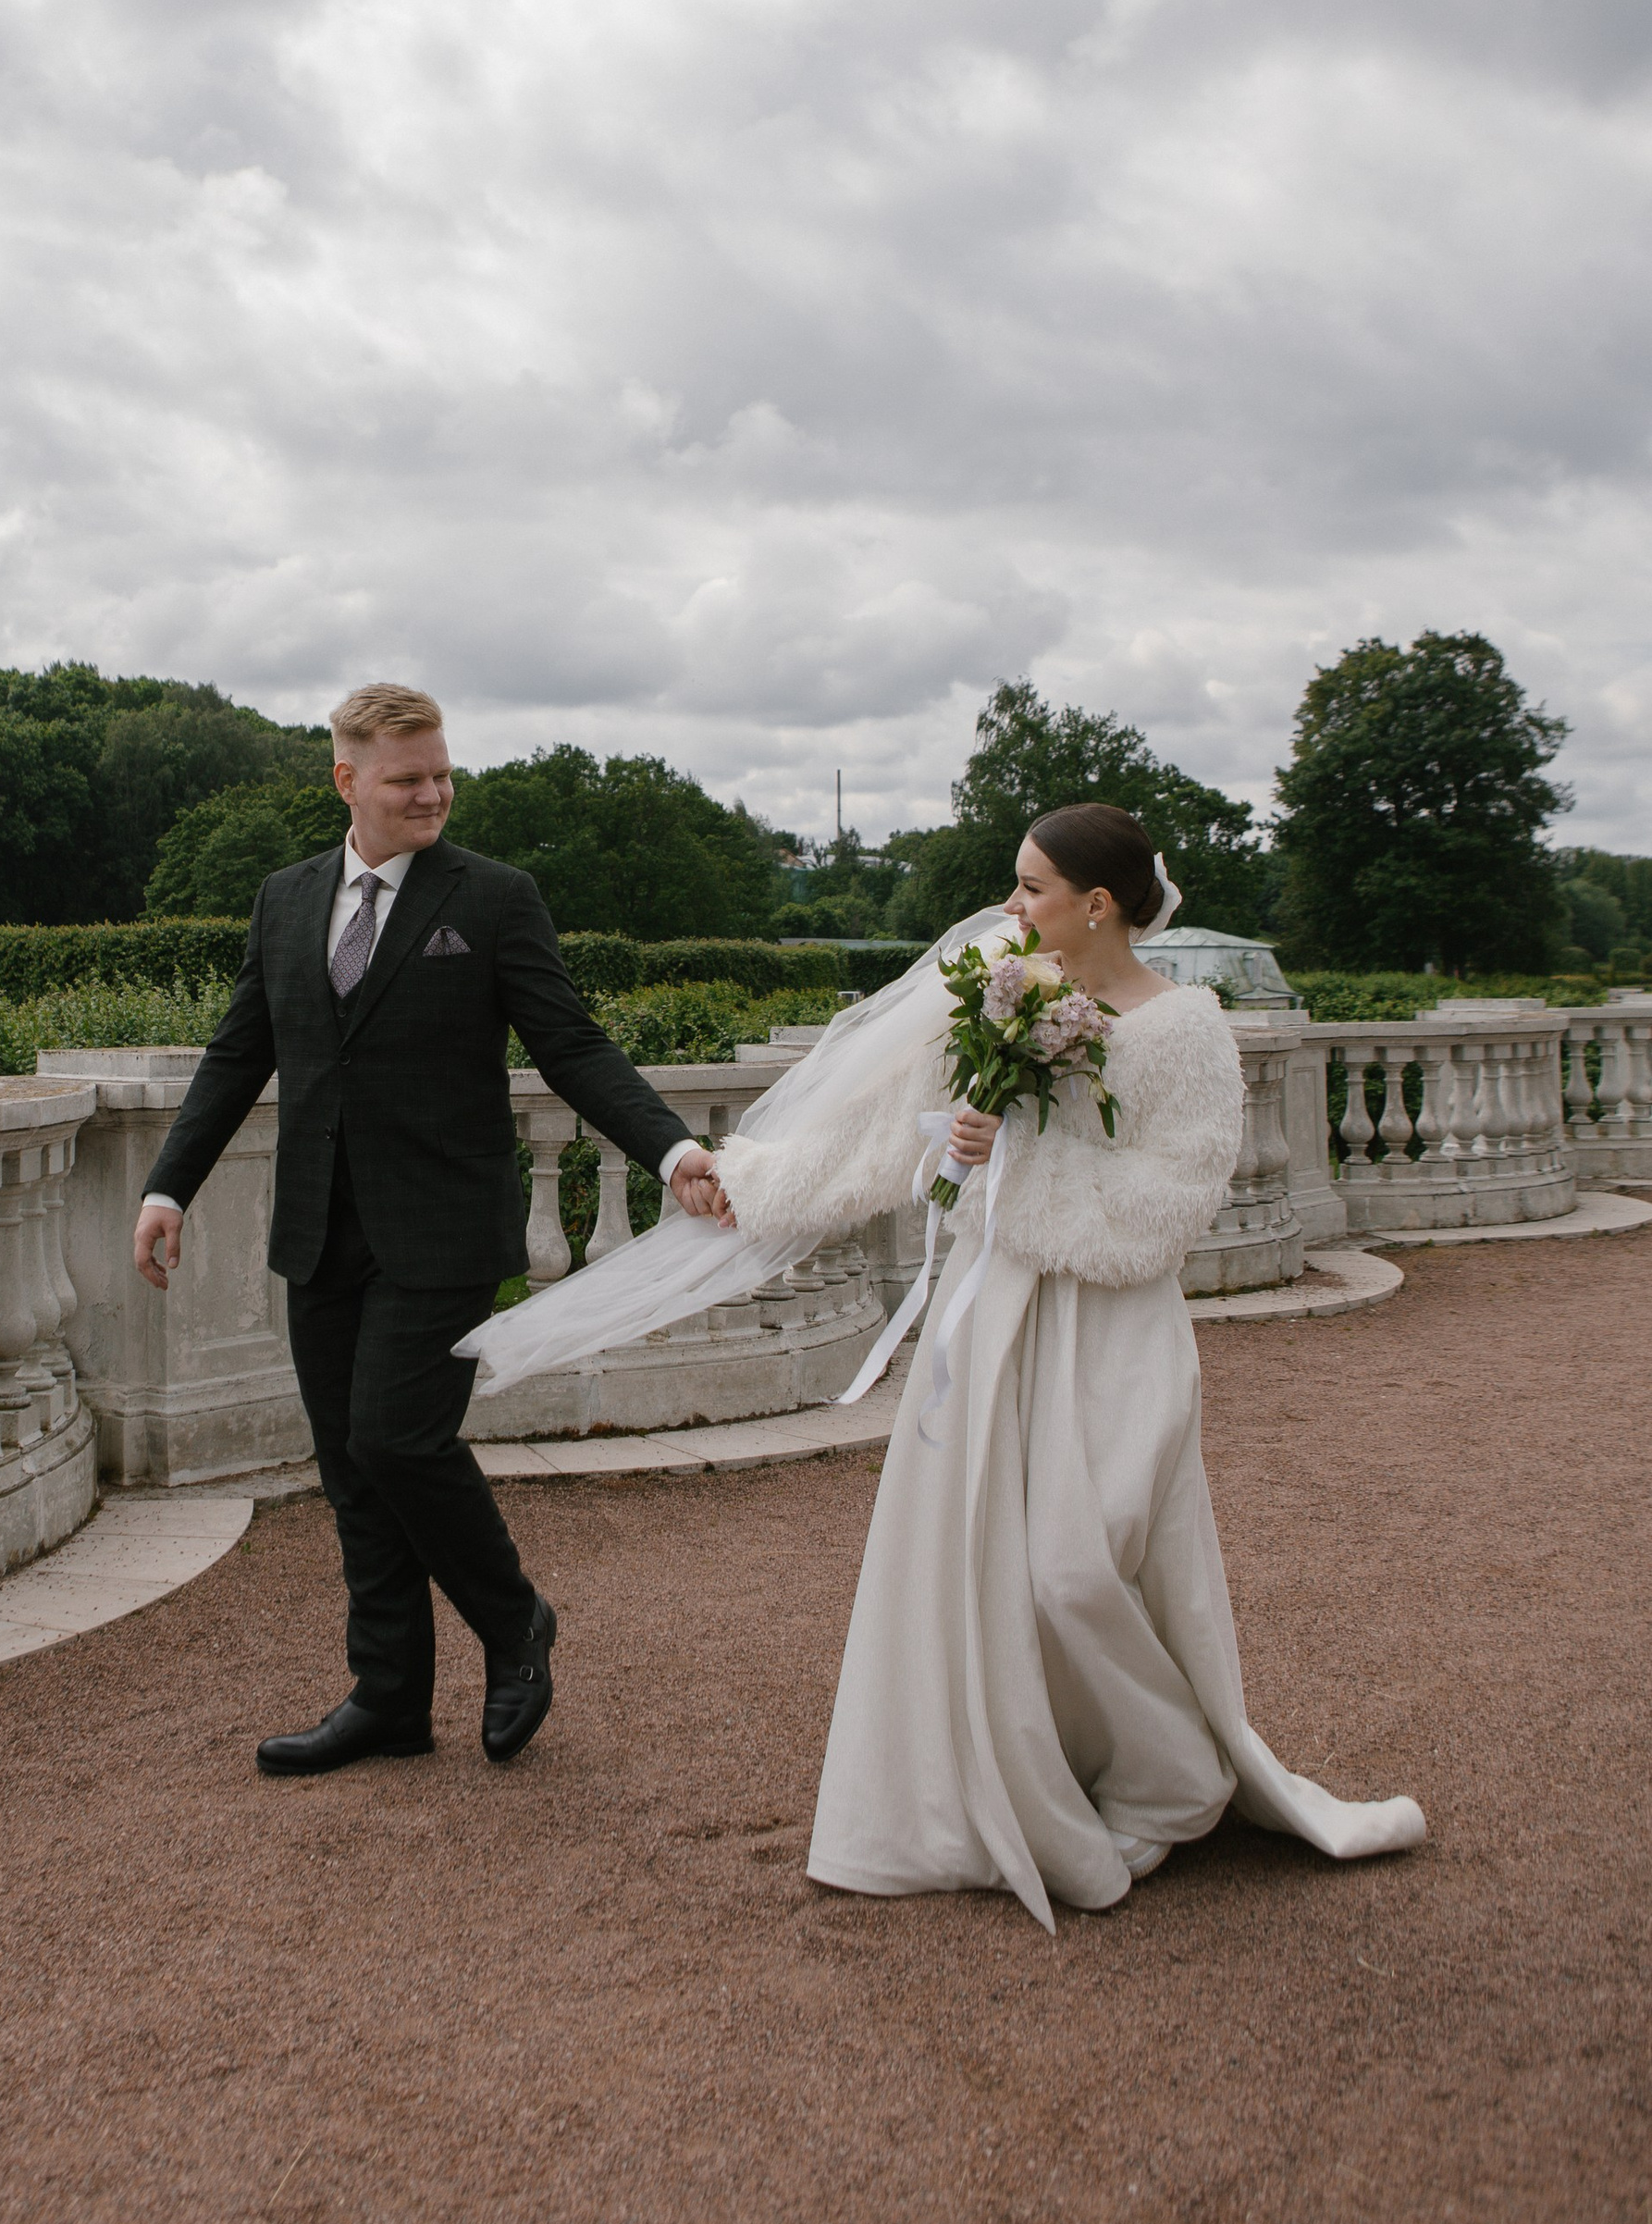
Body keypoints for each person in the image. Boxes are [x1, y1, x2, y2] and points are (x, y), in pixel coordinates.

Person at [459, 801, 1424, 1928]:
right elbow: (882, 1137)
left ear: (1096, 904)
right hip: (994, 1314)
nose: (1007, 910)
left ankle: (1174, 1777)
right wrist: (750, 1179)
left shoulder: (1186, 1028)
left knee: (1082, 1561)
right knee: (992, 1567)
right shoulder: (1000, 985)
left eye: (1028, 890)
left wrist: (1010, 1162)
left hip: (1112, 1320)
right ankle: (1066, 1781)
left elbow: (1173, 1204)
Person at [132, 683, 730, 1780]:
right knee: (352, 1470)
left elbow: (572, 1046)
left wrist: (673, 1150)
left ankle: (514, 1624)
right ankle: (391, 1699)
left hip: (444, 1228)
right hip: (317, 1228)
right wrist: (169, 1186)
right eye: (408, 777)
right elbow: (237, 1054)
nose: (434, 793)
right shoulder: (283, 899)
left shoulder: (494, 898)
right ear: (346, 780)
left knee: (396, 1439)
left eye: (442, 772)